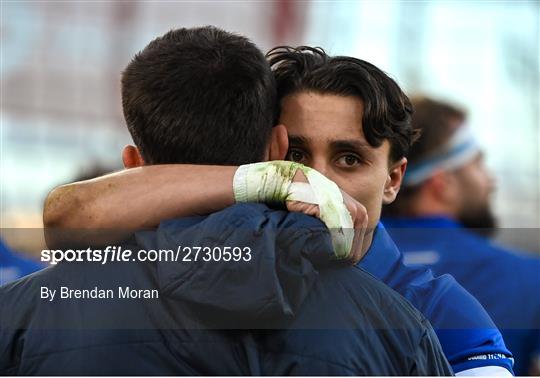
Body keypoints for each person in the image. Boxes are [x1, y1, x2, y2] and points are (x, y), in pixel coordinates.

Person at [0, 27, 452, 376]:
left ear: (132, 164)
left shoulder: (23, 314)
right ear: (275, 148)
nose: (321, 179)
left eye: (349, 158)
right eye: (298, 156)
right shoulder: (397, 328)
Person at [382, 96, 540, 376]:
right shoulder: (529, 276)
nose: (490, 180)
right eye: (477, 164)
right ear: (442, 183)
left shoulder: (333, 264)